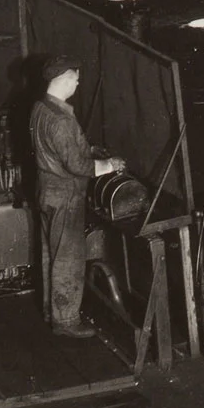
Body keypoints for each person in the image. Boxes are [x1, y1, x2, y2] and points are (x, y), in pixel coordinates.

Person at [29, 54, 122, 337]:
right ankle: (67, 321)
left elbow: (60, 151)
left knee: (49, 255)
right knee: (68, 257)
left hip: (45, 191)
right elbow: (76, 165)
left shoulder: (40, 108)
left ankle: (51, 311)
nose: (78, 83)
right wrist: (109, 166)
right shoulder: (62, 121)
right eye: (76, 78)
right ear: (65, 79)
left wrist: (87, 149)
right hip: (66, 195)